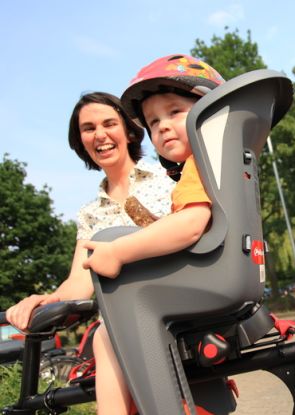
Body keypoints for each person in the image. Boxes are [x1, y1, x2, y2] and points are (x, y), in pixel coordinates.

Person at [5, 91, 175, 413]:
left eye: (109, 123)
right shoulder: (89, 213)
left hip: (165, 302)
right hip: (121, 320)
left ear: (128, 130)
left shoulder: (168, 179)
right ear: (81, 140)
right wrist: (43, 300)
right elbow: (79, 282)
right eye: (88, 128)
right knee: (106, 333)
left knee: (105, 335)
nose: (99, 135)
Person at [82, 54, 225, 414]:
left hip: (206, 281)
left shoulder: (197, 168)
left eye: (174, 111)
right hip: (215, 276)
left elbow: (190, 224)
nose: (161, 127)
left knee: (107, 334)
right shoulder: (216, 166)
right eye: (153, 121)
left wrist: (118, 252)